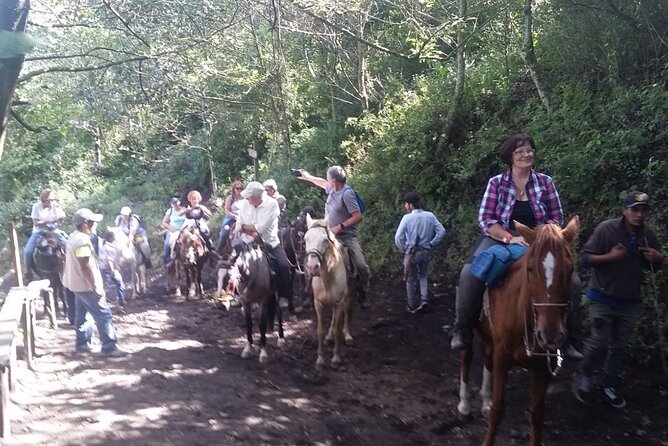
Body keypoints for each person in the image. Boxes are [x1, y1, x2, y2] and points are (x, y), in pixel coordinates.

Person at [450, 133, 583, 359]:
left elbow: (556, 216)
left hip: (539, 239)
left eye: (529, 150)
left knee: (575, 282)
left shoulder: (545, 182)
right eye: (520, 151)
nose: (526, 154)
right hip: (500, 236)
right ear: (510, 157)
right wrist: (509, 238)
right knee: (469, 274)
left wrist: (540, 236)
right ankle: (463, 329)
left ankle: (570, 338)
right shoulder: (497, 183)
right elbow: (486, 219)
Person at [572, 191, 663, 408]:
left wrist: (659, 259)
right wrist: (609, 257)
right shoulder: (607, 229)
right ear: (624, 210)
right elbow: (585, 259)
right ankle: (583, 375)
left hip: (630, 300)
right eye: (634, 209)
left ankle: (608, 385)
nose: (639, 215)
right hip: (602, 297)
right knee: (600, 342)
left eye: (643, 210)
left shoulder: (648, 235)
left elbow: (655, 266)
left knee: (619, 346)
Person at [297, 165, 371, 309]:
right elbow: (321, 182)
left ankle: (363, 293)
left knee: (361, 266)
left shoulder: (347, 194)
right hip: (329, 234)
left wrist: (340, 227)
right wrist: (307, 176)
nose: (326, 180)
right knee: (311, 255)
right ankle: (309, 292)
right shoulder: (331, 189)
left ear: (334, 182)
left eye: (328, 178)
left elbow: (357, 216)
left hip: (346, 235)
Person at [62, 208, 127, 357]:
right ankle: (109, 346)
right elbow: (85, 266)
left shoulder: (73, 236)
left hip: (75, 283)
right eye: (93, 222)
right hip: (85, 285)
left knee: (82, 314)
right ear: (86, 224)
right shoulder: (83, 241)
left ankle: (82, 344)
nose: (96, 225)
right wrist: (95, 286)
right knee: (103, 313)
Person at [234, 181, 292, 311]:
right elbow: (240, 221)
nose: (247, 200)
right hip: (246, 242)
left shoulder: (272, 205)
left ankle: (284, 295)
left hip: (268, 243)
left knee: (283, 266)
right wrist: (241, 228)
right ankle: (234, 293)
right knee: (230, 262)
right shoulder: (246, 202)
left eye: (249, 197)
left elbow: (260, 230)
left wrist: (245, 228)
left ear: (257, 197)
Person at [394, 192, 446, 313]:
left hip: (411, 252)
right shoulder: (430, 216)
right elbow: (441, 231)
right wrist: (432, 243)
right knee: (423, 275)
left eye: (406, 204)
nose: (405, 206)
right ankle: (424, 299)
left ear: (410, 205)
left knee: (410, 278)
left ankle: (411, 305)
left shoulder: (407, 218)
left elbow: (398, 238)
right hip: (426, 251)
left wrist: (404, 249)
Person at [24, 188, 67, 281]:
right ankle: (27, 271)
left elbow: (61, 219)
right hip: (39, 231)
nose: (49, 202)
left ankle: (70, 267)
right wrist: (47, 221)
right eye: (47, 200)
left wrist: (56, 223)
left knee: (67, 245)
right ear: (43, 200)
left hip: (54, 230)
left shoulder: (56, 206)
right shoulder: (36, 207)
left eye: (51, 200)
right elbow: (35, 222)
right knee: (28, 251)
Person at [99, 229, 126, 307]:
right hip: (107, 268)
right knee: (119, 283)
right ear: (111, 238)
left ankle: (102, 301)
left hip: (104, 267)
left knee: (104, 285)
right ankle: (120, 300)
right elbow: (109, 260)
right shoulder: (109, 248)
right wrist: (112, 270)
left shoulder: (108, 246)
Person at [218, 181, 244, 252]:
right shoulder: (230, 198)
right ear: (234, 189)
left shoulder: (245, 198)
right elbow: (227, 211)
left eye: (241, 188)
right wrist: (235, 217)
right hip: (231, 219)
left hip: (243, 219)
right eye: (237, 188)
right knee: (225, 231)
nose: (239, 190)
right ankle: (219, 250)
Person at [161, 197, 186, 266]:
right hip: (173, 230)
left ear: (179, 202)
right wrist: (171, 228)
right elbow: (164, 222)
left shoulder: (184, 210)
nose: (175, 204)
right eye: (173, 203)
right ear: (171, 204)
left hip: (184, 230)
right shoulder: (170, 211)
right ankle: (168, 260)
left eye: (176, 203)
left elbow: (188, 219)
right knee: (167, 244)